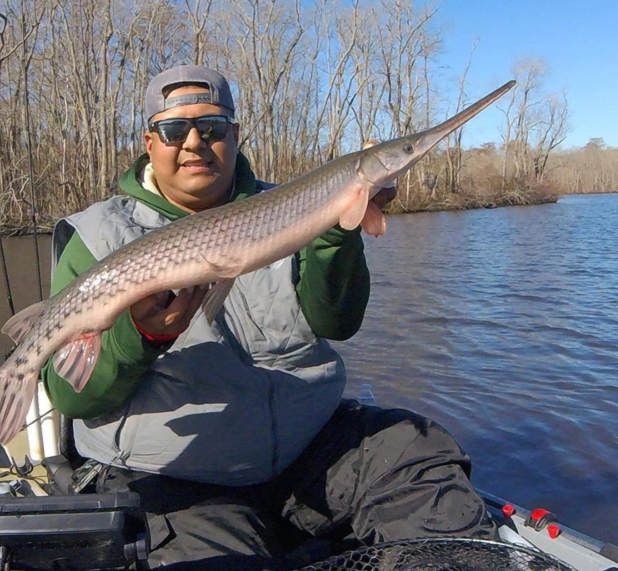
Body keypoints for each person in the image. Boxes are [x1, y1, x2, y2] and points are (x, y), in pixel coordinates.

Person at [42, 65, 496, 570]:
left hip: (309, 452)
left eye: (213, 129)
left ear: (235, 136)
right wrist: (140, 336)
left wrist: (336, 233)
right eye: (175, 131)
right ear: (150, 142)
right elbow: (70, 397)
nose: (194, 143)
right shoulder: (96, 236)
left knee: (415, 452)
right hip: (180, 477)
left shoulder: (292, 205)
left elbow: (337, 324)